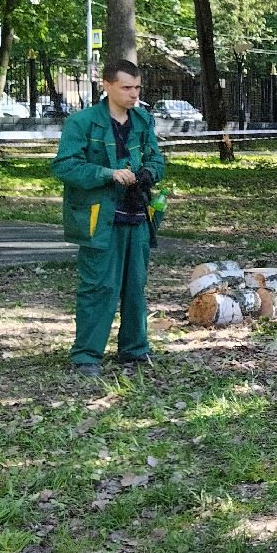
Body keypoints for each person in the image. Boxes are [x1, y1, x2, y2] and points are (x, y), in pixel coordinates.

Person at [51, 59, 167, 377]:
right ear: (107, 85)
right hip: (99, 218)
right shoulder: (83, 122)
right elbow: (65, 166)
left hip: (138, 217)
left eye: (137, 87)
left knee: (135, 287)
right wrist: (108, 173)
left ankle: (134, 350)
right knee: (98, 287)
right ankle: (87, 356)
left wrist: (147, 172)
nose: (134, 94)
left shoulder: (143, 121)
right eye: (127, 87)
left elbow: (158, 160)